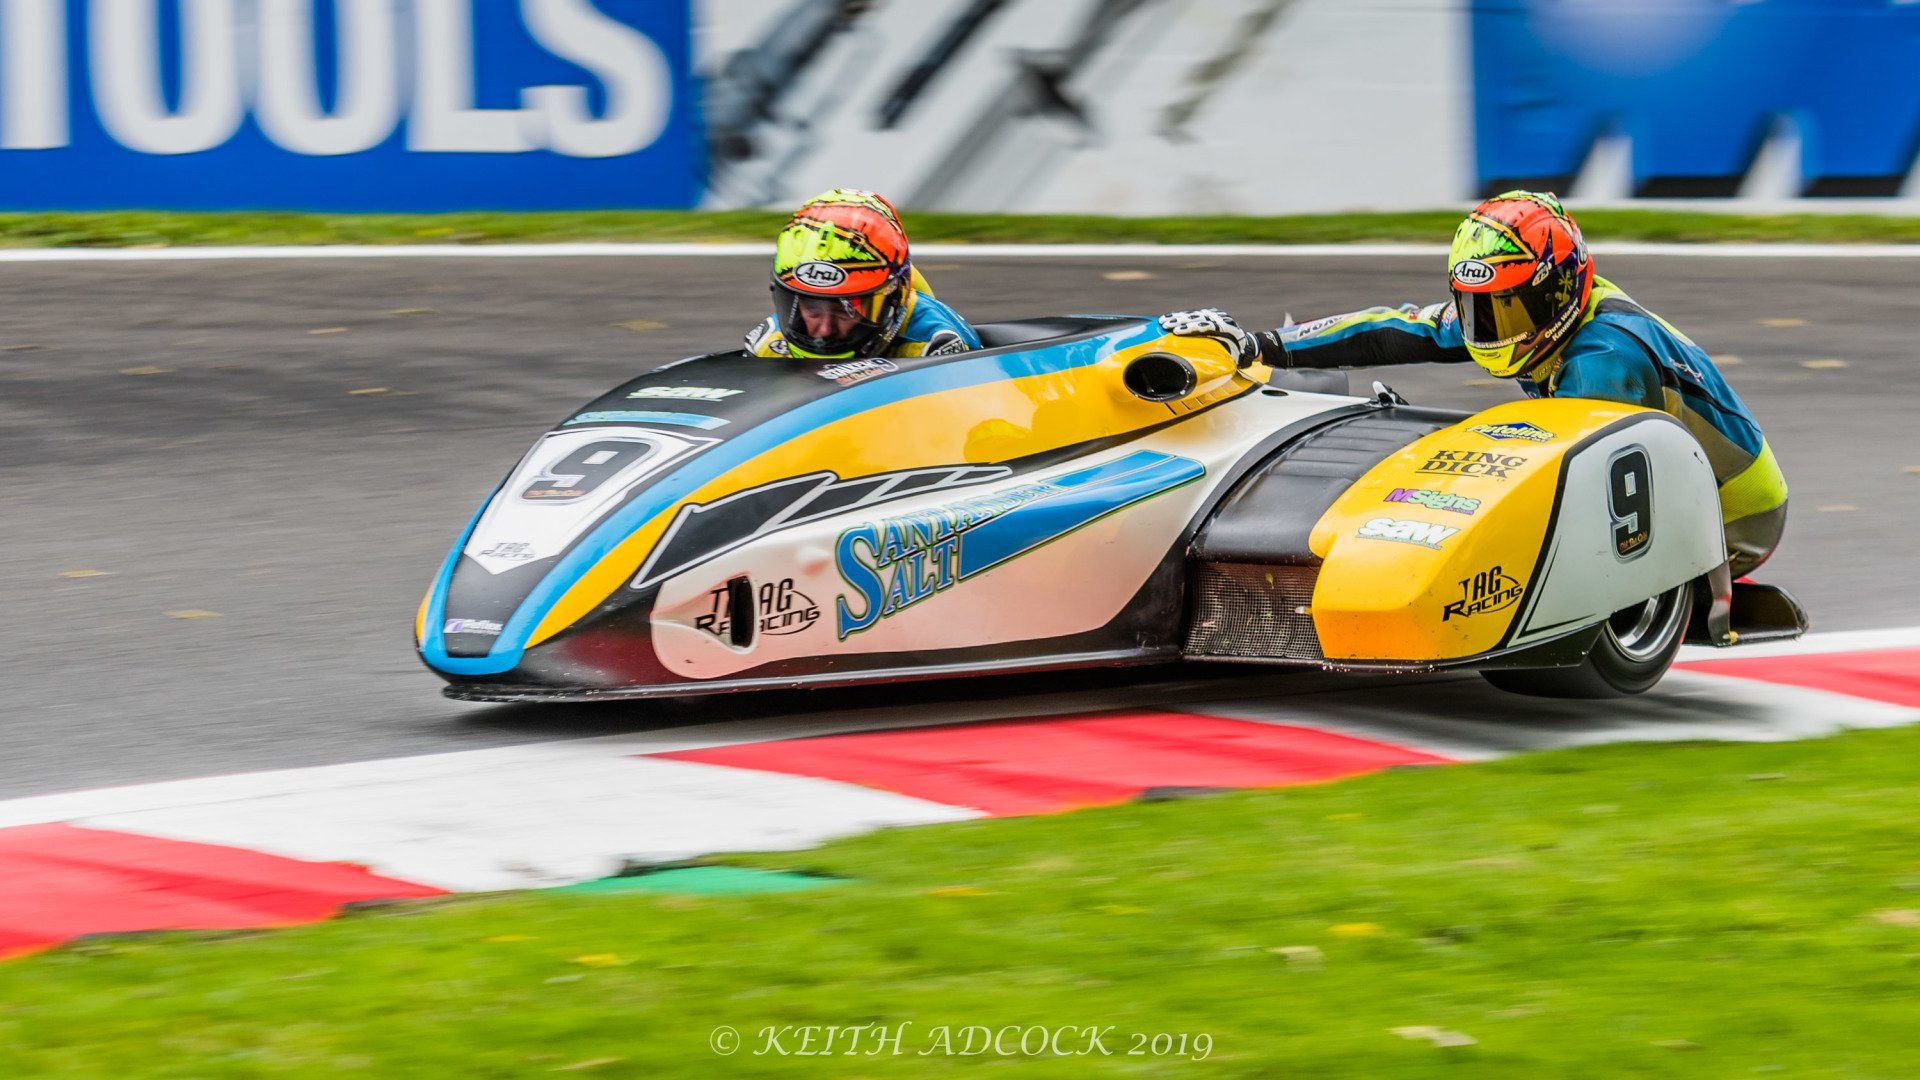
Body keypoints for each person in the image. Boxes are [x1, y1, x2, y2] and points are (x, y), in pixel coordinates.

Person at [1164, 191, 1787, 576]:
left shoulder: (1604, 359)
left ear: (1560, 285)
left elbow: (1586, 495)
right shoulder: (1533, 313)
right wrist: (1262, 345)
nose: (1489, 328)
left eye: (1505, 308)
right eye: (1477, 307)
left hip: (1736, 513)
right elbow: (1394, 328)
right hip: (1686, 484)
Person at [746, 188, 980, 362]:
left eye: (845, 310)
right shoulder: (768, 343)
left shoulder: (936, 348)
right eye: (812, 308)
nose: (825, 329)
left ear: (891, 301)